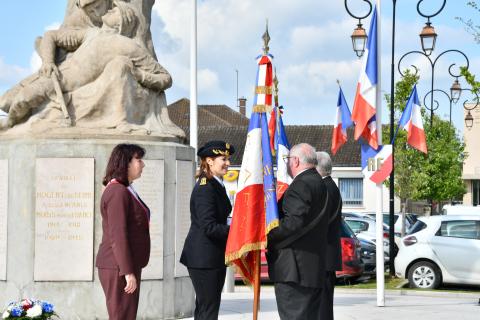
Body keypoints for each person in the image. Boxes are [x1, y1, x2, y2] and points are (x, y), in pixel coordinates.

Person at [0, 0, 171, 129]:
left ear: (121, 23)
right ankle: (10, 122)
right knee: (11, 99)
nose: (101, 13)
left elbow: (166, 78)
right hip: (55, 77)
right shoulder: (91, 34)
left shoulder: (127, 47)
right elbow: (51, 36)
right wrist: (48, 61)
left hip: (66, 87)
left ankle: (9, 123)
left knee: (25, 98)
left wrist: (141, 75)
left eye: (113, 12)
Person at [267, 143, 329, 320]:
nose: (286, 164)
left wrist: (265, 234)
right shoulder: (319, 182)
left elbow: (293, 223)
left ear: (295, 161)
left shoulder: (300, 185)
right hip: (312, 268)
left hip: (294, 270)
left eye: (287, 160)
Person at [180, 140, 235, 320]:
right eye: (223, 159)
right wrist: (236, 231)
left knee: (207, 310)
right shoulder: (206, 188)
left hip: (212, 257)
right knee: (208, 311)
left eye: (228, 159)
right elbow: (209, 226)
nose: (227, 163)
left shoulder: (215, 184)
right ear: (209, 161)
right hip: (204, 258)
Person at [96, 143, 150, 320]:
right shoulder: (118, 191)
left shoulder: (125, 188)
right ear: (125, 163)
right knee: (122, 316)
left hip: (124, 264)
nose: (142, 165)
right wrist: (127, 272)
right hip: (118, 266)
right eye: (138, 160)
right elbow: (118, 235)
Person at [316, 151, 343, 320]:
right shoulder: (330, 186)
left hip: (323, 254)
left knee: (323, 305)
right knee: (324, 303)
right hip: (327, 254)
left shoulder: (325, 188)